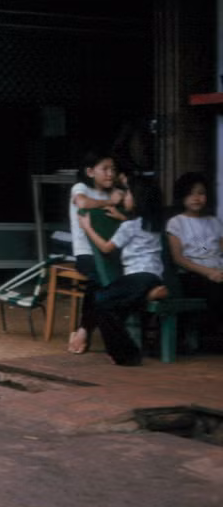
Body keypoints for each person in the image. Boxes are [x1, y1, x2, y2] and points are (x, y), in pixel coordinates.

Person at [79, 177, 170, 366]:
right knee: (118, 306)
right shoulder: (154, 224)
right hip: (152, 277)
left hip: (136, 276)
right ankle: (149, 294)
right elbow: (138, 231)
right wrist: (122, 218)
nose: (124, 197)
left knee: (101, 301)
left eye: (128, 194)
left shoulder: (128, 226)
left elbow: (106, 248)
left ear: (138, 200)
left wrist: (87, 228)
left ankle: (127, 355)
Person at [66, 150, 127, 355]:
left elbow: (133, 210)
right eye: (105, 169)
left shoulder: (115, 191)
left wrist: (125, 185)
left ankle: (93, 330)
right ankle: (84, 330)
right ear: (90, 172)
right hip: (86, 253)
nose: (110, 174)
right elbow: (83, 203)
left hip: (110, 252)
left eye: (114, 170)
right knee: (100, 280)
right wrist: (111, 201)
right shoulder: (81, 187)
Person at [166, 172, 223, 344]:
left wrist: (218, 271)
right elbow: (179, 259)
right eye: (191, 193)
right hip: (192, 275)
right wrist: (208, 272)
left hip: (217, 271)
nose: (196, 198)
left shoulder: (214, 222)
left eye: (201, 193)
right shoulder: (176, 222)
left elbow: (216, 250)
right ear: (182, 196)